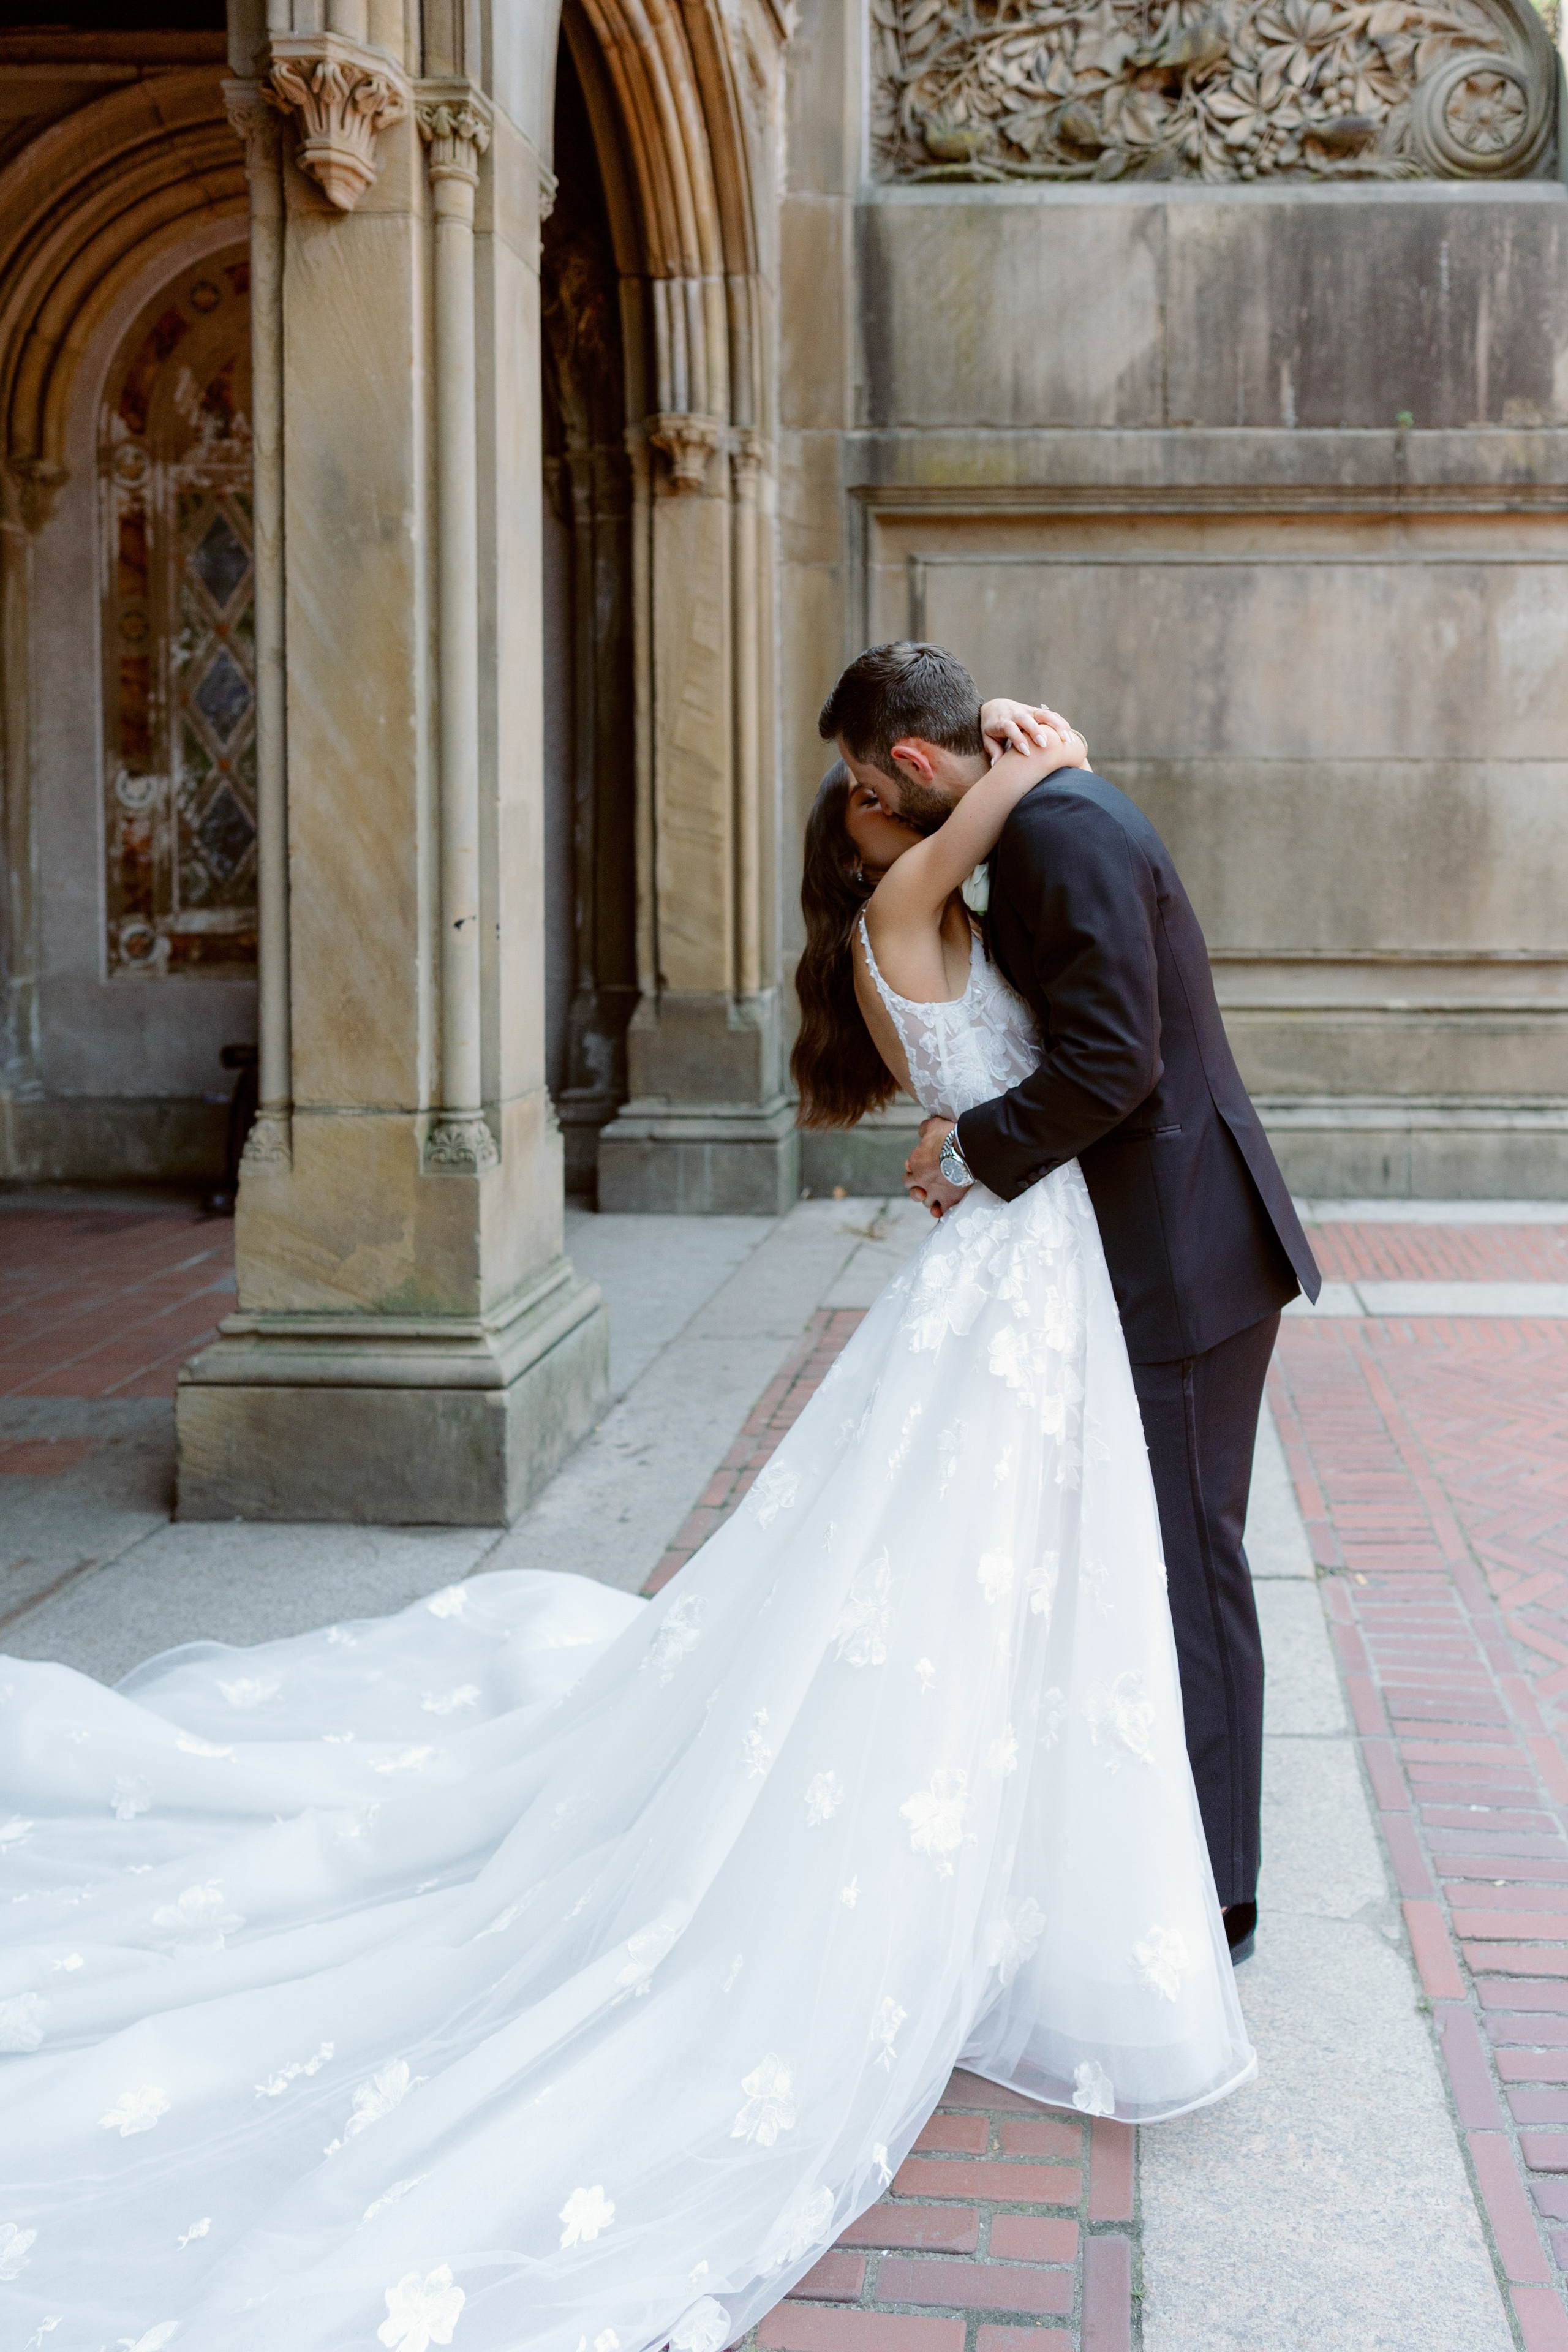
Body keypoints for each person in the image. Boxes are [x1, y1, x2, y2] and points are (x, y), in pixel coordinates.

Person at [0, 713, 1253, 2352]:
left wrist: (1021, 781)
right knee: (965, 1565)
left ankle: (1041, 1835)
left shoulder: (948, 903)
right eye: (899, 817)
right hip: (1015, 1269)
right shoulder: (906, 913)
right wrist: (1043, 755)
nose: (921, 843)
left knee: (1006, 1568)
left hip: (1030, 1272)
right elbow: (986, 862)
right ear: (885, 816)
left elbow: (1000, 896)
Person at [819, 640, 1323, 1966]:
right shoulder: (1039, 819)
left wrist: (971, 1145)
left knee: (1186, 1570)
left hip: (1179, 1252)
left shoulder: (1053, 833)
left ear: (908, 767)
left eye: (864, 777)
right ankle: (1157, 1845)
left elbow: (1110, 1060)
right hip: (1138, 1247)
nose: (859, 798)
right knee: (1141, 1560)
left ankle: (1218, 1889)